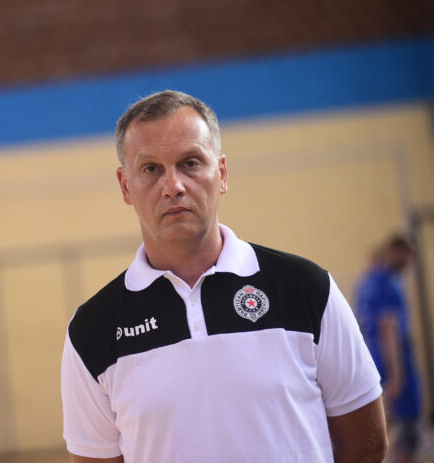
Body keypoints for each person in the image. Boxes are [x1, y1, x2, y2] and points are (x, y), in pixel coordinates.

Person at [60, 90, 387, 462]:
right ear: (125, 187)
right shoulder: (92, 330)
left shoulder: (307, 289)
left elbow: (366, 444)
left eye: (190, 163)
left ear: (222, 174)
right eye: (151, 169)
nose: (173, 186)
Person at [356, 235, 421, 463]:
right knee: (406, 431)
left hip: (374, 362)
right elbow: (388, 328)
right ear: (395, 252)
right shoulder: (389, 284)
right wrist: (398, 375)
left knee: (385, 431)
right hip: (393, 363)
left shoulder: (365, 284)